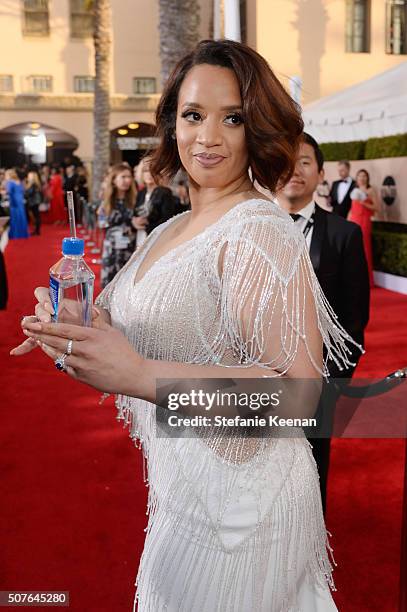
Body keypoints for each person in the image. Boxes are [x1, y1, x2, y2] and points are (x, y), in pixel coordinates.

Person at [12, 40, 362, 611]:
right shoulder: (173, 228)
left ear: (259, 130)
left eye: (234, 118)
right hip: (183, 494)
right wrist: (80, 324)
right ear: (172, 121)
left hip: (243, 512)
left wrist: (143, 375)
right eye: (194, 115)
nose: (208, 136)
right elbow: (147, 334)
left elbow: (303, 396)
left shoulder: (256, 232)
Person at [278, 133, 370, 513]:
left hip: (317, 377)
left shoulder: (344, 234)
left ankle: (309, 548)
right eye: (284, 161)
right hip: (254, 374)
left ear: (320, 174)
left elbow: (354, 315)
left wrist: (335, 378)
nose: (294, 171)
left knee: (312, 464)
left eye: (303, 162)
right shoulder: (248, 230)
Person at [98, 163, 137, 288]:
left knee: (126, 283)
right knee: (109, 282)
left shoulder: (135, 200)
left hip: (130, 247)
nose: (127, 180)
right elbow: (101, 223)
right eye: (123, 177)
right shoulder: (107, 201)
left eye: (129, 177)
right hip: (112, 247)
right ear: (114, 180)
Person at [133, 158, 175, 247]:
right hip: (140, 236)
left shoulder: (164, 192)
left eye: (154, 170)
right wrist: (134, 222)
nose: (149, 174)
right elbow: (135, 213)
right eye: (145, 171)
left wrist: (147, 224)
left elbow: (167, 219)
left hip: (156, 239)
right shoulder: (141, 192)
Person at [348, 169, 380, 287]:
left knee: (365, 248)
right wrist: (348, 222)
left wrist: (363, 202)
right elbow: (352, 209)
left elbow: (377, 208)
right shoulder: (354, 190)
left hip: (365, 221)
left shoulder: (370, 190)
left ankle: (366, 280)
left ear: (367, 178)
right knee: (353, 249)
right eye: (359, 176)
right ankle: (354, 278)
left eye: (364, 176)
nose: (362, 178)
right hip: (354, 220)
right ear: (357, 178)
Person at [5, 169, 29, 239]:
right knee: (21, 216)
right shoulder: (19, 181)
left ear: (9, 175)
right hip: (20, 200)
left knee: (15, 217)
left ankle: (15, 234)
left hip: (14, 201)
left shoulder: (10, 182)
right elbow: (22, 190)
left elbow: (8, 191)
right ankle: (22, 233)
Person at [25, 171, 42, 236]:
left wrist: (25, 193)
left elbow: (30, 193)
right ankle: (37, 230)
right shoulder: (35, 184)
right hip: (35, 201)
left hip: (34, 202)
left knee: (36, 216)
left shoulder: (33, 184)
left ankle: (37, 231)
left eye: (29, 176)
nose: (28, 177)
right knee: (36, 216)